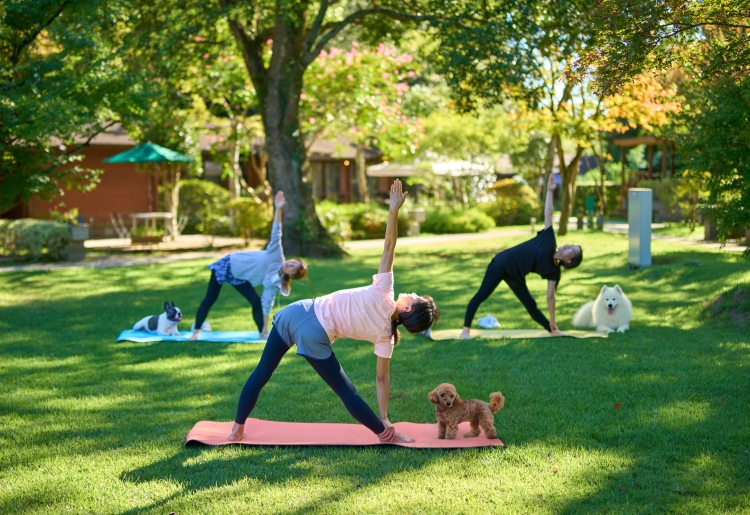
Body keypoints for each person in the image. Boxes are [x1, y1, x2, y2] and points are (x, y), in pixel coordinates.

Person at [228, 180, 440, 444]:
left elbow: (389, 246)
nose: (414, 293)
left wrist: (393, 210)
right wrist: (384, 416)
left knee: (261, 373)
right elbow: (381, 378)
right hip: (313, 331)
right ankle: (385, 433)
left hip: (295, 313)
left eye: (417, 298)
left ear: (408, 308)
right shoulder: (386, 337)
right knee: (345, 390)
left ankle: (237, 429)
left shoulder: (384, 290)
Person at [460, 176, 583, 339]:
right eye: (571, 245)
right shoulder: (549, 240)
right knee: (481, 295)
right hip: (502, 263)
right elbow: (548, 213)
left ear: (568, 260)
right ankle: (465, 331)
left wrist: (553, 319)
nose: (568, 246)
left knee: (531, 305)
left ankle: (552, 329)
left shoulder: (554, 272)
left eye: (571, 251)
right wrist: (550, 191)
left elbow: (550, 296)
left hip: (515, 275)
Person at [190, 191, 307, 341]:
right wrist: (278, 209)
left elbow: (267, 303)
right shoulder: (276, 254)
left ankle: (262, 333)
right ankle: (196, 332)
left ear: (291, 275)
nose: (290, 263)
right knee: (210, 299)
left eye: (293, 267)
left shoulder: (275, 282)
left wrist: (266, 329)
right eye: (293, 261)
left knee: (256, 301)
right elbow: (276, 231)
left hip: (239, 277)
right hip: (227, 265)